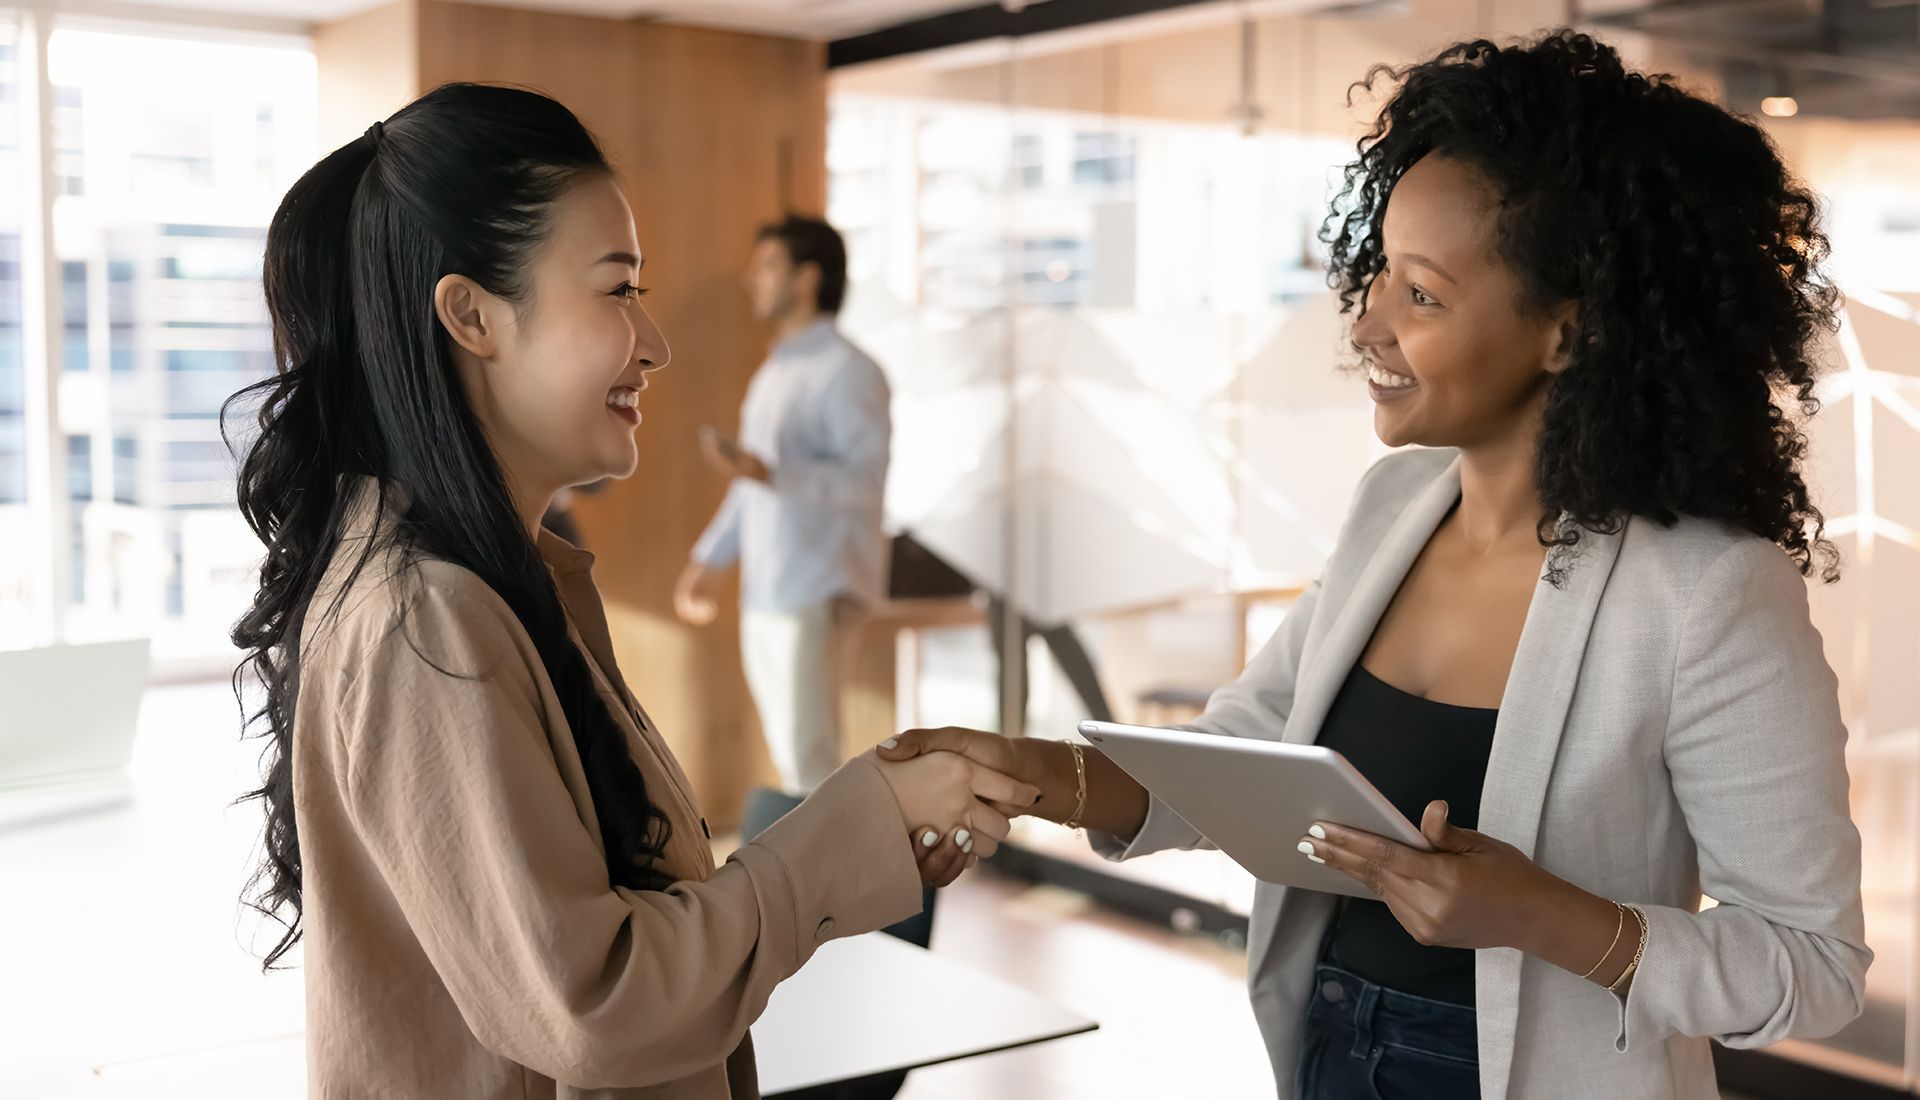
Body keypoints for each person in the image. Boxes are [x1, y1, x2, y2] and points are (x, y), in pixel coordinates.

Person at [881, 30, 1869, 1099]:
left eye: (1423, 296)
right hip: (1329, 1046)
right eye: (1379, 277)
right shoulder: (1393, 506)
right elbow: (1244, 755)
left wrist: (1547, 916)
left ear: (1571, 332)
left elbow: (1815, 964)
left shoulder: (1707, 590)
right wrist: (1030, 772)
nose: (1366, 323)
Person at [227, 84, 1035, 1100]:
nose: (654, 344)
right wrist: (849, 836)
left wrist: (860, 838)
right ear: (472, 315)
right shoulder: (428, 614)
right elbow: (595, 999)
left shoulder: (498, 582)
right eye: (617, 289)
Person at [675, 216, 891, 794]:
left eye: (767, 265)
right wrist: (710, 559)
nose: (752, 279)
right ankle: (819, 881)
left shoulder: (850, 371)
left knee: (810, 763)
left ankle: (838, 884)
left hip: (819, 589)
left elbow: (865, 483)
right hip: (770, 587)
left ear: (807, 278)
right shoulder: (776, 370)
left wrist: (770, 472)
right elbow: (753, 484)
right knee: (793, 758)